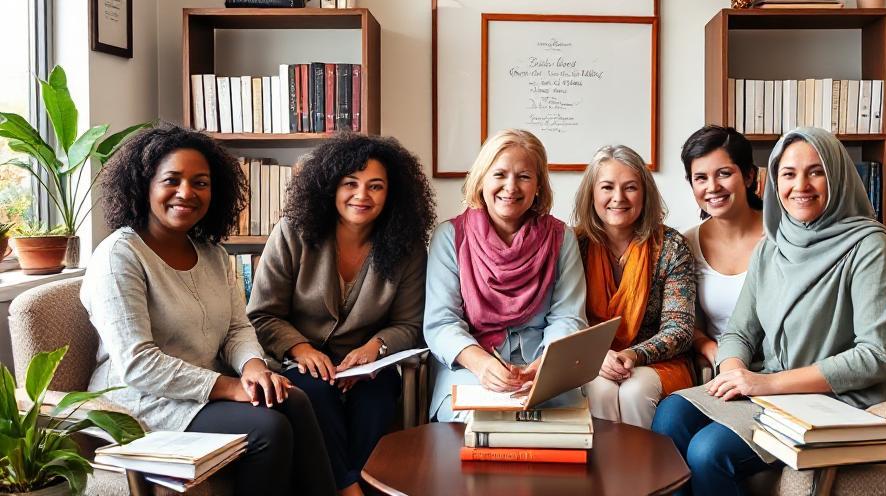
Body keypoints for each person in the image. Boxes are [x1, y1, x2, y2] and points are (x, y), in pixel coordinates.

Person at [82, 125, 335, 496]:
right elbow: (137, 363)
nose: (187, 192)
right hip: (140, 404)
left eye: (200, 183)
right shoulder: (119, 256)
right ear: (145, 185)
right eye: (172, 180)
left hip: (201, 391)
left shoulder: (213, 254)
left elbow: (237, 329)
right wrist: (231, 387)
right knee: (268, 428)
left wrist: (252, 368)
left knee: (294, 398)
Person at [652, 127, 886, 495]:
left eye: (815, 171)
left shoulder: (870, 247)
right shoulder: (774, 244)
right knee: (670, 415)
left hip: (843, 402)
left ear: (836, 175)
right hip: (775, 391)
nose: (800, 185)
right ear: (775, 180)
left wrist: (764, 383)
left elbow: (877, 356)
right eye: (788, 174)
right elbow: (740, 331)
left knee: (709, 453)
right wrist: (734, 369)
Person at [247, 133, 435, 496]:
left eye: (375, 186)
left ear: (391, 193)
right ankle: (348, 488)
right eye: (350, 183)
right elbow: (263, 313)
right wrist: (301, 349)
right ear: (330, 186)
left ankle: (366, 482)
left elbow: (410, 324)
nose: (361, 196)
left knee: (378, 395)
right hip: (297, 362)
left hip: (366, 367)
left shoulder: (407, 246)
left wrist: (374, 349)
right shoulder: (293, 232)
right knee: (314, 392)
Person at [424, 129, 587, 422]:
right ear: (482, 179)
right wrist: (481, 364)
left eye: (524, 176)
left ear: (538, 186)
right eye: (499, 174)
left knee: (563, 428)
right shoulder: (449, 237)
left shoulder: (562, 238)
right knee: (483, 423)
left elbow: (568, 317)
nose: (510, 187)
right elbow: (441, 322)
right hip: (470, 371)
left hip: (544, 373)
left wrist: (545, 367)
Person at [572, 145, 697, 429]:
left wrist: (632, 354)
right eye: (607, 187)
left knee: (635, 392)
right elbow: (564, 316)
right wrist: (597, 356)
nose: (618, 198)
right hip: (592, 359)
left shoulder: (671, 247)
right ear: (592, 194)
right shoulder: (573, 245)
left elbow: (679, 328)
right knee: (599, 388)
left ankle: (646, 473)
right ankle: (603, 473)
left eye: (630, 187)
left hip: (657, 362)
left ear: (645, 194)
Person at [680, 126, 764, 369]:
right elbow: (685, 321)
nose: (712, 187)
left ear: (749, 176)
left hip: (778, 367)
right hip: (721, 369)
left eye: (724, 173)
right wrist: (705, 344)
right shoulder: (687, 244)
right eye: (701, 178)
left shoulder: (783, 237)